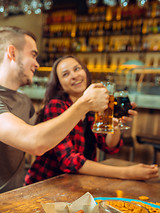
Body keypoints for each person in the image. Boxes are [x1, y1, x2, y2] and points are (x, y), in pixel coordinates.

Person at [0, 26, 111, 195]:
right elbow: (35, 142)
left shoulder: (23, 99)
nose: (37, 63)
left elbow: (48, 136)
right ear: (12, 53)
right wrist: (84, 103)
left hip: (16, 197)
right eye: (33, 54)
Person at [25, 55, 159, 185]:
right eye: (66, 74)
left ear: (85, 72)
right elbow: (69, 161)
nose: (74, 75)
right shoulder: (56, 106)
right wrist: (127, 173)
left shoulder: (93, 106)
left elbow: (109, 146)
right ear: (60, 85)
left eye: (77, 69)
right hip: (46, 184)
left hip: (77, 183)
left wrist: (115, 126)